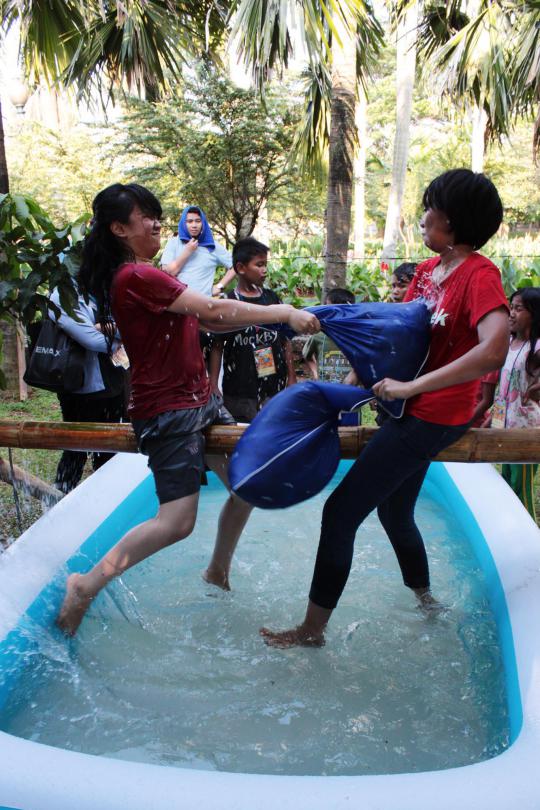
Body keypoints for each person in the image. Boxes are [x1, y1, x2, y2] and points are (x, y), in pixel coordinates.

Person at [260, 168, 510, 649]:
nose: (423, 216)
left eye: (430, 207)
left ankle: (312, 632)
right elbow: (396, 342)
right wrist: (352, 386)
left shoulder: (481, 275)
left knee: (339, 512)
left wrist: (414, 385)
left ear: (452, 221)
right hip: (404, 407)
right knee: (396, 514)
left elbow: (494, 349)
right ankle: (428, 603)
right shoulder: (424, 273)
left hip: (435, 415)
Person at [57, 183, 319, 636]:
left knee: (246, 487)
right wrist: (283, 312)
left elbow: (208, 317)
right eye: (147, 217)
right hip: (168, 409)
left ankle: (216, 570)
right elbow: (214, 308)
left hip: (200, 398)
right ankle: (84, 586)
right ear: (119, 228)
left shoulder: (144, 273)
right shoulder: (137, 277)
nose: (158, 223)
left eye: (157, 215)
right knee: (176, 522)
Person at [208, 237, 296, 423]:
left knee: (272, 431)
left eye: (266, 264)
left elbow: (285, 340)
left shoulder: (272, 299)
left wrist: (291, 377)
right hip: (239, 389)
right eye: (259, 265)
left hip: (273, 385)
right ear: (241, 268)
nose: (265, 270)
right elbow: (217, 346)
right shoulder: (229, 303)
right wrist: (213, 384)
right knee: (241, 435)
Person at [50, 284, 128, 494]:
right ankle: (57, 502)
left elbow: (133, 325)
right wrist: (118, 339)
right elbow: (91, 340)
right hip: (79, 386)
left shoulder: (105, 290)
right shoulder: (63, 294)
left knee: (110, 448)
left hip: (112, 381)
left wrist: (107, 328)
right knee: (76, 448)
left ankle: (106, 503)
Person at [490, 288, 540, 519]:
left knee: (523, 490)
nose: (511, 313)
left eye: (518, 309)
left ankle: (530, 537)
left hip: (527, 430)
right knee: (507, 485)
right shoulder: (509, 343)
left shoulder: (537, 347)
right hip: (504, 426)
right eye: (511, 307)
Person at [303, 287, 361, 426]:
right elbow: (307, 355)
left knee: (352, 436)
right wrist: (315, 373)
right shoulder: (319, 337)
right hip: (325, 398)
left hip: (350, 400)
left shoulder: (357, 337)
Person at [160, 205, 236, 296]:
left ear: (203, 223)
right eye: (189, 221)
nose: (194, 225)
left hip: (203, 304)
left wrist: (219, 286)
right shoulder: (174, 243)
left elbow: (235, 265)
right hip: (177, 303)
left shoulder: (212, 245)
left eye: (198, 221)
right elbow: (166, 274)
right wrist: (187, 251)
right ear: (184, 223)